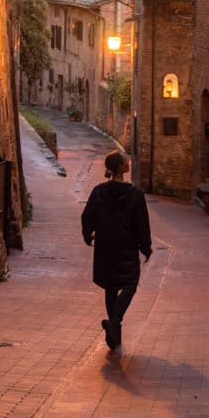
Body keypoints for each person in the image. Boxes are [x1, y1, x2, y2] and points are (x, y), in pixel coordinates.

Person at [81, 150, 152, 350]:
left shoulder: (99, 191)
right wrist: (145, 247)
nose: (128, 160)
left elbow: (87, 216)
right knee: (130, 283)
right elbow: (142, 224)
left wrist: (88, 235)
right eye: (125, 159)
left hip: (105, 246)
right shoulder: (135, 195)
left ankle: (114, 337)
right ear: (121, 167)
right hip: (126, 247)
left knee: (111, 286)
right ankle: (115, 322)